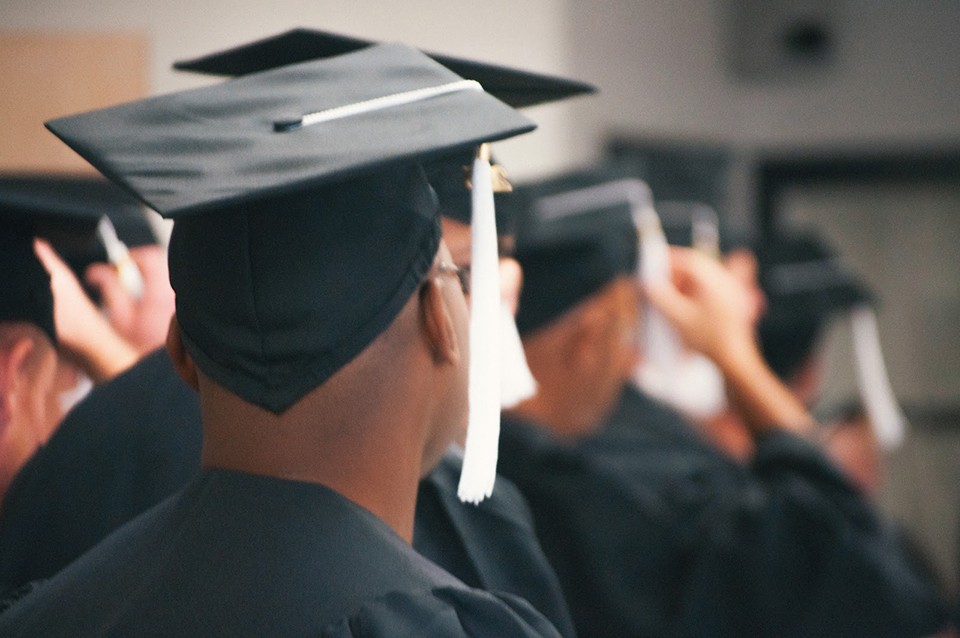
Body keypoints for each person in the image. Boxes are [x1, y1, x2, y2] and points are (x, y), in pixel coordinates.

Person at [0, 42, 562, 637]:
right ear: (440, 323)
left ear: (181, 354)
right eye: (460, 278)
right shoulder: (451, 628)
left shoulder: (50, 613)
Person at [495, 175, 948, 637]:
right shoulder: (600, 489)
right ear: (588, 339)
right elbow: (854, 567)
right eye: (629, 328)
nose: (632, 358)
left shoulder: (493, 468)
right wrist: (735, 356)